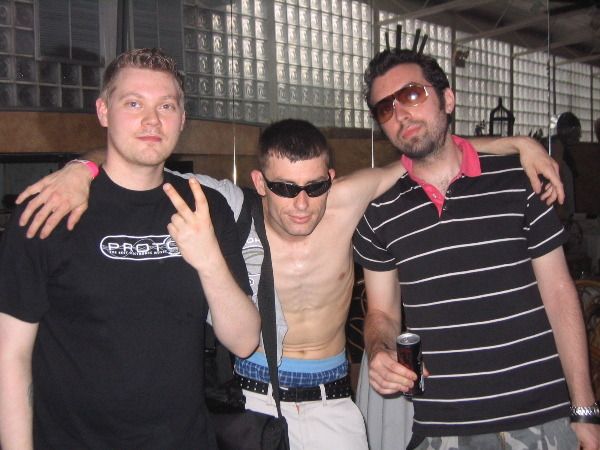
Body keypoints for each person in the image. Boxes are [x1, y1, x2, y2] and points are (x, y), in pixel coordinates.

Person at [14, 113, 563, 449]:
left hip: (330, 407)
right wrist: (81, 169)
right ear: (259, 182)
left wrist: (519, 144)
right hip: (250, 407)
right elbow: (139, 159)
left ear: (330, 179)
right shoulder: (229, 205)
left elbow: (431, 155)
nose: (301, 204)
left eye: (314, 187)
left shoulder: (346, 201)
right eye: (283, 188)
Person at [0, 48, 260, 449]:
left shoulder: (204, 207)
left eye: (166, 106)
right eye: (134, 103)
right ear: (104, 111)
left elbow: (244, 341)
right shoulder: (49, 210)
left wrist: (208, 259)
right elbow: (11, 355)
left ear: (182, 119)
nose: (152, 120)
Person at [353, 48, 600, 449]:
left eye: (412, 94)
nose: (400, 114)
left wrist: (584, 408)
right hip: (446, 425)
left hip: (542, 414)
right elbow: (382, 314)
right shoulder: (380, 212)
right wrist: (380, 348)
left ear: (448, 99)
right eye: (385, 108)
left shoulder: (519, 181)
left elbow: (559, 294)